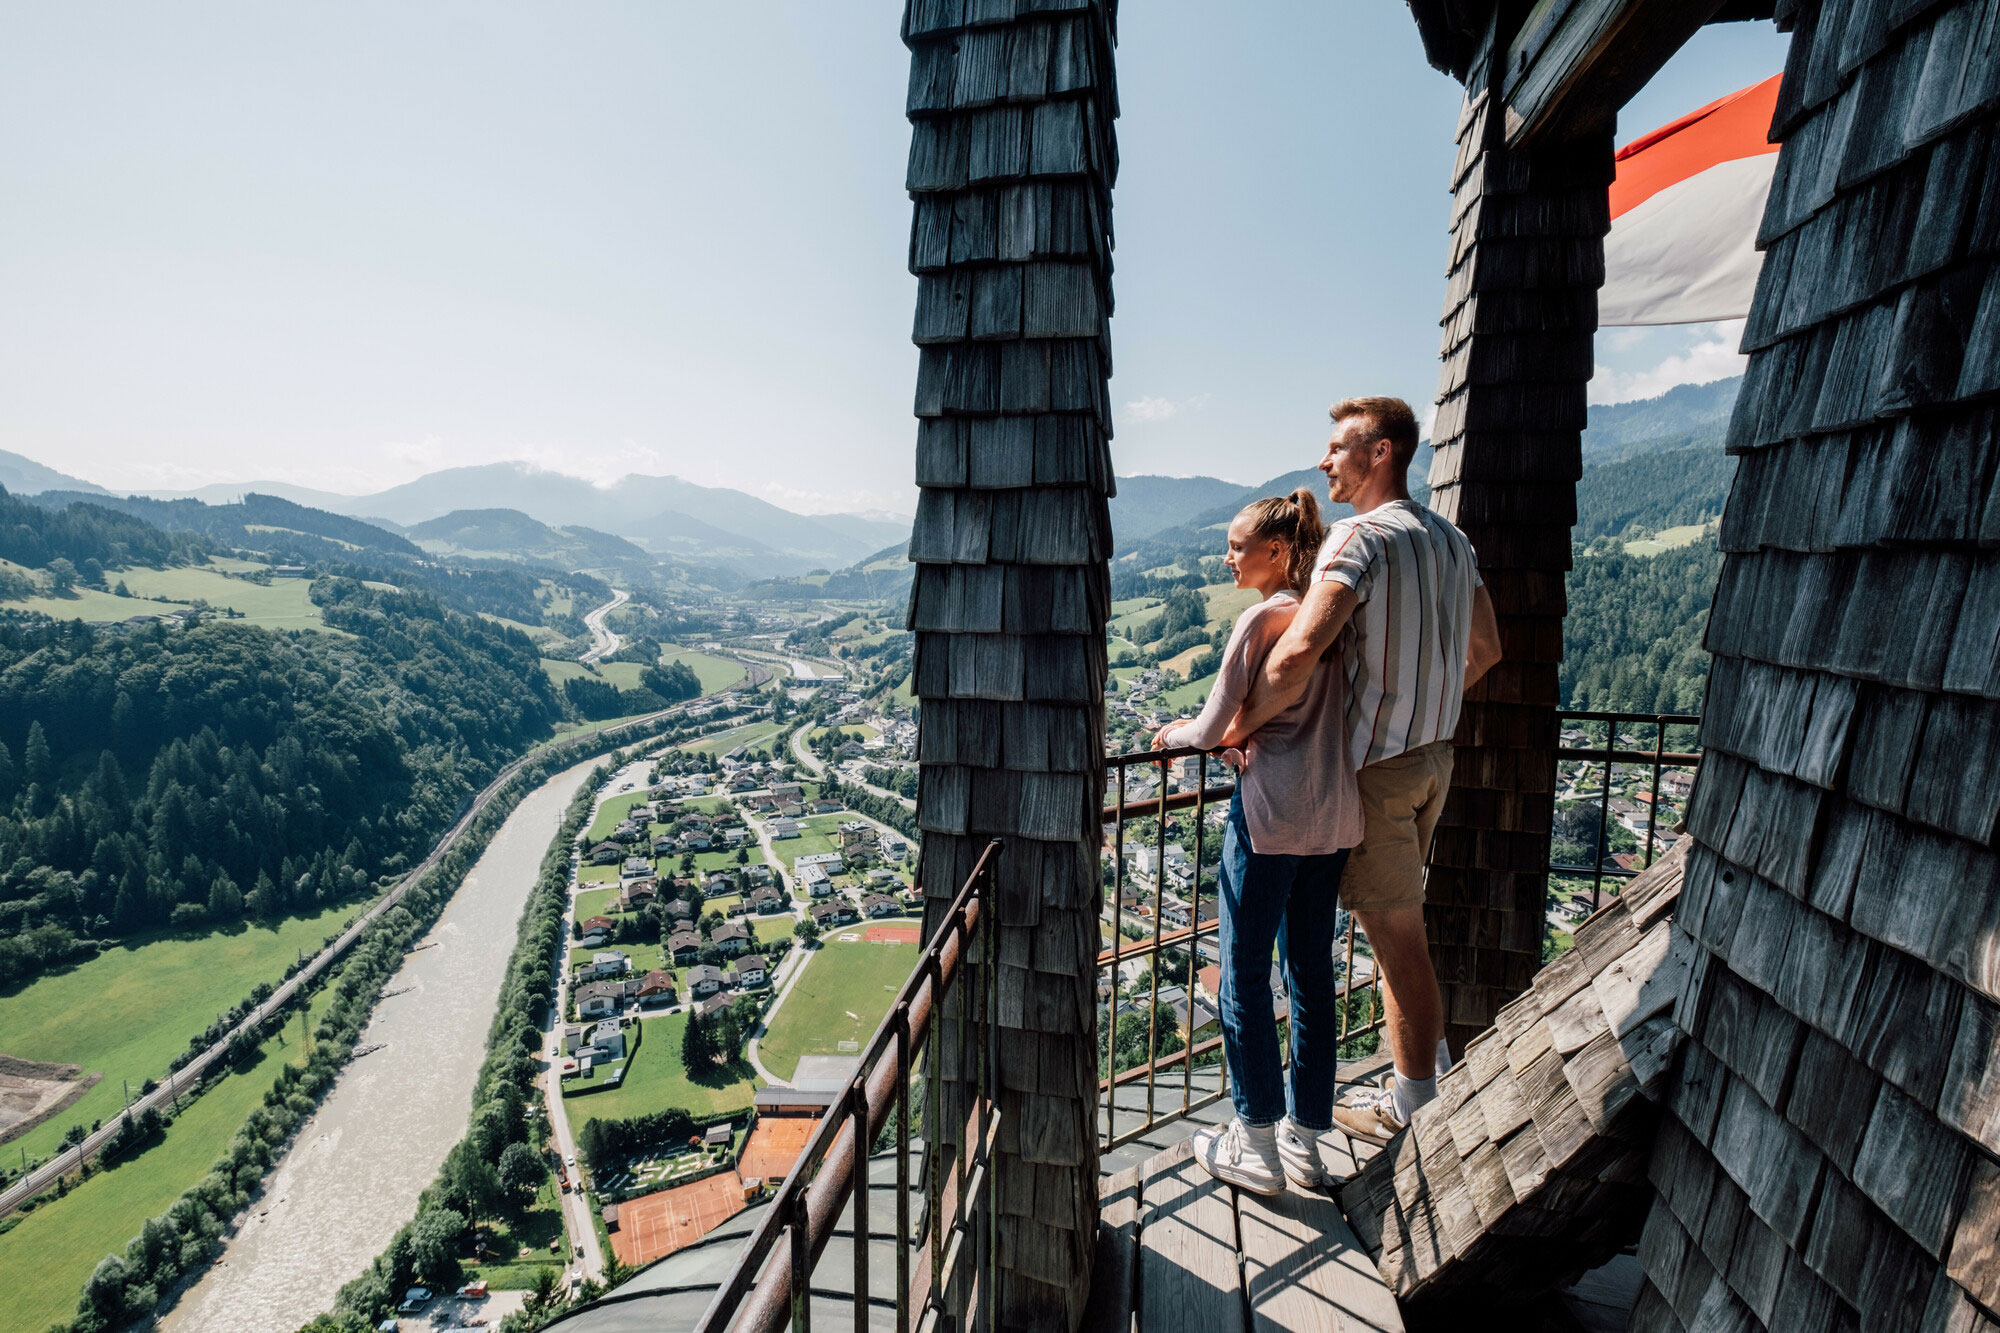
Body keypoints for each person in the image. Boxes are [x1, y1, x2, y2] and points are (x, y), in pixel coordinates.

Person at [1226, 395, 1502, 1146]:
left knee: (1396, 940)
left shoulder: (1359, 538)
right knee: (1391, 933)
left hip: (1375, 770)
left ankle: (1419, 1112)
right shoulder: (1451, 542)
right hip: (1432, 758)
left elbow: (1294, 656)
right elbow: (1485, 651)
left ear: (1381, 452)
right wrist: (1422, 705)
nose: (1325, 462)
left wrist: (1235, 724)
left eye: (1339, 447)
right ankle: (1414, 1089)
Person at [1150, 489, 1363, 1195]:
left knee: (1241, 977)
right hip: (1334, 818)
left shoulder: (1262, 619)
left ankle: (1257, 1140)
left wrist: (1172, 735)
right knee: (1309, 974)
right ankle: (1307, 1141)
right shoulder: (1332, 619)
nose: (1226, 556)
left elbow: (1212, 728)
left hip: (1272, 817)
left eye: (1236, 546)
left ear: (1275, 551)